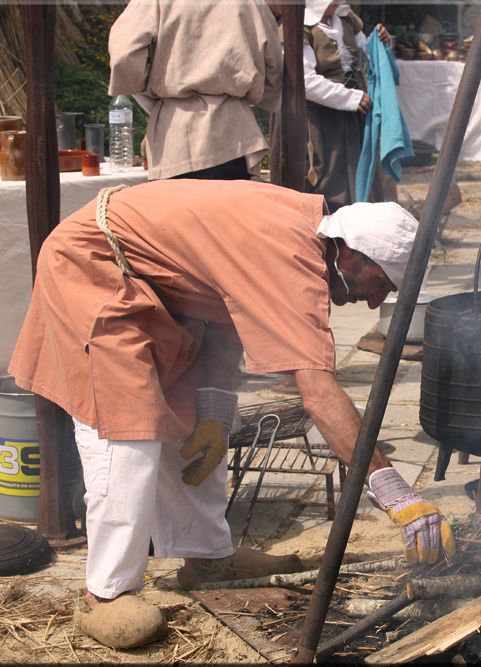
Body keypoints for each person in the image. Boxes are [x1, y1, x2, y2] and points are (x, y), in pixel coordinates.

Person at [9, 180, 455, 648]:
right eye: (380, 284)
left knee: (192, 424)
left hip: (152, 284)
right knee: (128, 429)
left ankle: (208, 559)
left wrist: (214, 413)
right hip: (94, 266)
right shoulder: (290, 258)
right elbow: (319, 394)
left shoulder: (310, 238)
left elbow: (227, 322)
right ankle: (106, 592)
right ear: (352, 255)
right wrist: (398, 496)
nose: (373, 302)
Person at [108, 0, 282, 181]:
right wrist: (247, 98)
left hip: (174, 137)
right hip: (234, 134)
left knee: (178, 208)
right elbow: (274, 71)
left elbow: (124, 58)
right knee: (226, 208)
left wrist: (154, 101)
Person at [301, 0, 391, 210]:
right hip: (322, 115)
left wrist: (381, 43)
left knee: (361, 170)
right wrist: (349, 98)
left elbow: (367, 55)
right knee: (330, 176)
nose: (338, 4)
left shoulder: (346, 18)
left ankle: (361, 222)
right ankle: (330, 230)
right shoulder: (301, 27)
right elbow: (305, 80)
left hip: (356, 112)